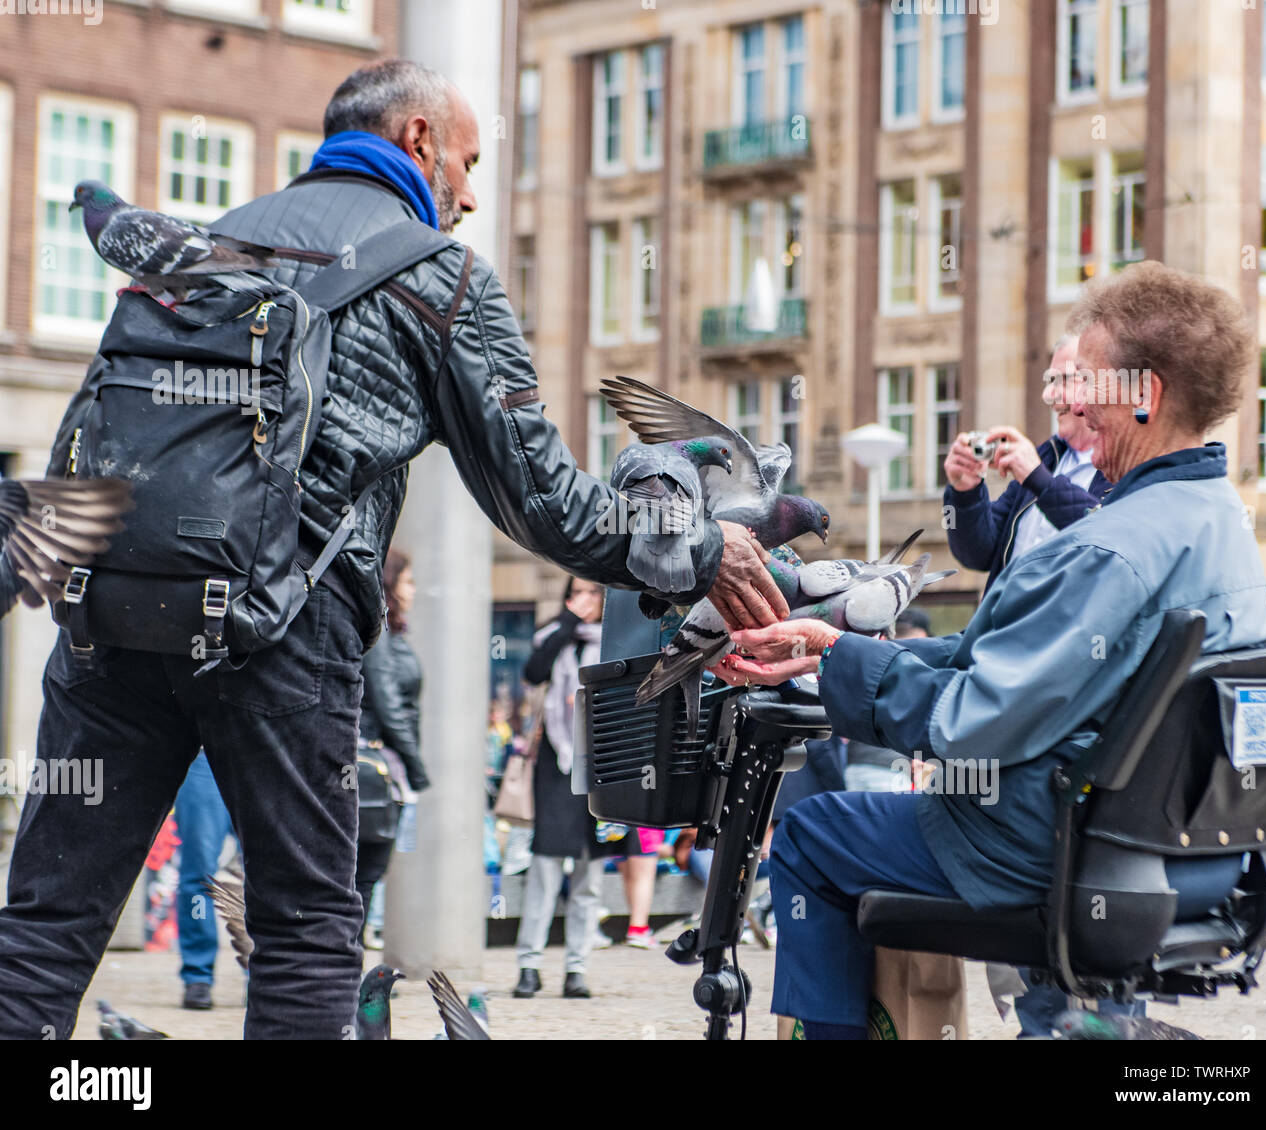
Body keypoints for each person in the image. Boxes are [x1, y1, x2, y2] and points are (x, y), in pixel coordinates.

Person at [0, 60, 785, 1041]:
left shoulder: (203, 243)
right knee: (305, 925)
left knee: (44, 922)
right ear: (415, 140)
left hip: (111, 613)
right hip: (279, 628)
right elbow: (545, 501)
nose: (466, 194)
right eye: (465, 161)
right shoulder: (438, 275)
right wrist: (697, 545)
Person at [717, 261, 1266, 1038]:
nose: (1066, 405)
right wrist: (832, 652)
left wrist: (845, 661)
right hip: (1194, 857)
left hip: (1053, 846)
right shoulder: (1223, 523)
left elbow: (971, 723)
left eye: (1081, 382)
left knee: (814, 833)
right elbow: (1018, 663)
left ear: (1144, 395)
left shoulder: (1107, 548)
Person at [944, 335, 1111, 597]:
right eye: (1050, 381)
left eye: (1063, 380)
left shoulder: (1130, 465)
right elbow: (977, 555)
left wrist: (1039, 480)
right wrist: (965, 492)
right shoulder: (1047, 457)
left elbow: (1108, 541)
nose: (1048, 395)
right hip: (1000, 630)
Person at [513, 577, 610, 999]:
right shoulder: (554, 636)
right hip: (556, 762)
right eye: (575, 593)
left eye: (591, 593)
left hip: (604, 761)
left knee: (590, 871)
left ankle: (577, 969)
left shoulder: (616, 639)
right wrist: (568, 622)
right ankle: (528, 966)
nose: (583, 601)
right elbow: (533, 673)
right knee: (545, 865)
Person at [356, 549, 428, 938]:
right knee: (364, 875)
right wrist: (417, 771)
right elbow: (388, 704)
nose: (414, 589)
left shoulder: (388, 630)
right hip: (374, 765)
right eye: (409, 581)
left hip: (378, 765)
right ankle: (345, 982)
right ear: (392, 585)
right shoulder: (379, 630)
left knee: (364, 876)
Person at [173, 752, 234, 1010]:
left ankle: (263, 975)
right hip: (202, 755)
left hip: (265, 742)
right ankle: (197, 976)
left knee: (267, 874)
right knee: (198, 874)